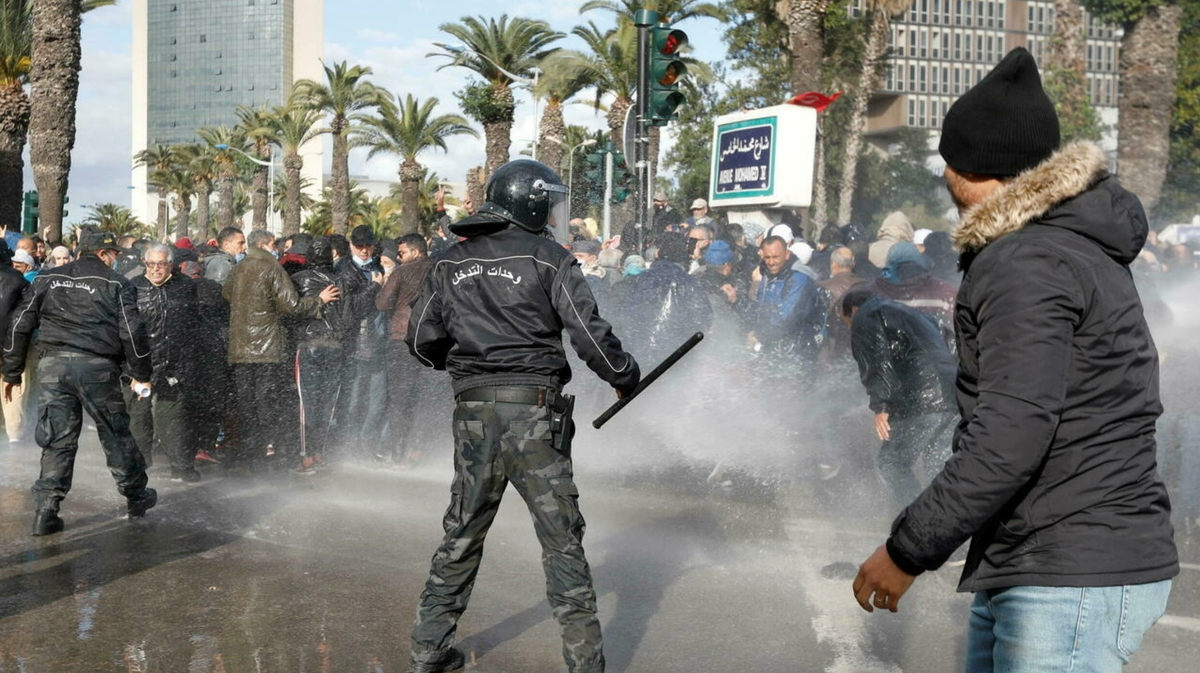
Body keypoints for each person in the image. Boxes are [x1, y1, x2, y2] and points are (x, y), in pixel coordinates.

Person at [852, 48, 1177, 672]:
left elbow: (1009, 436)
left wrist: (907, 550)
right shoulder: (1065, 247)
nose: (944, 177)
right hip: (1043, 555)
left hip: (1066, 566)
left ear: (978, 168)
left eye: (950, 161)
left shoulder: (1026, 261)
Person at [405, 159, 641, 673]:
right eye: (549, 202)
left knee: (462, 531)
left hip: (471, 414)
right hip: (535, 414)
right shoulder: (549, 257)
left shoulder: (449, 261)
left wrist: (470, 366)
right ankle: (585, 665)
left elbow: (421, 344)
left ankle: (427, 654)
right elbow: (588, 334)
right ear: (530, 201)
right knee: (561, 540)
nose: (554, 213)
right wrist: (624, 374)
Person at [2, 229, 158, 535]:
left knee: (57, 437)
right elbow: (132, 332)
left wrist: (11, 371)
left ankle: (46, 509)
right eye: (113, 253)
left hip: (53, 366)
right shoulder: (117, 283)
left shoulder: (47, 279)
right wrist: (142, 374)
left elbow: (19, 324)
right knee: (114, 433)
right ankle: (136, 497)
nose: (115, 258)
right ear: (102, 254)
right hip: (97, 367)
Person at [223, 229, 339, 471]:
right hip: (267, 347)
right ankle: (266, 450)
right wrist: (319, 301)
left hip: (240, 346)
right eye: (274, 243)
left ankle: (247, 452)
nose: (277, 248)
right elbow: (291, 305)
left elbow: (226, 295)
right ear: (265, 245)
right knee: (266, 402)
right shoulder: (273, 268)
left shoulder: (238, 269)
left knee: (246, 402)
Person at [842, 287, 957, 506]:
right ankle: (949, 529)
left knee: (892, 463)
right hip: (952, 396)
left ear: (853, 310)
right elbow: (953, 346)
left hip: (921, 400)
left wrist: (881, 406)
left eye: (847, 322)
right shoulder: (915, 314)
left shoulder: (865, 315)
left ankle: (919, 524)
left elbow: (877, 361)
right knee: (937, 466)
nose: (850, 328)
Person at [126, 243, 203, 482]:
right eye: (151, 264)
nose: (156, 269)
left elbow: (195, 327)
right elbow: (123, 329)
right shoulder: (132, 288)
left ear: (171, 264)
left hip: (174, 365)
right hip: (138, 366)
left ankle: (181, 466)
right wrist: (130, 370)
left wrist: (188, 363)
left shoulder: (186, 287)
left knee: (173, 418)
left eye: (161, 263)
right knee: (138, 418)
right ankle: (138, 467)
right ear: (144, 264)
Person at [375, 233, 435, 466]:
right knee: (426, 398)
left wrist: (383, 284)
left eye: (401, 253)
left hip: (402, 339)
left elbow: (381, 303)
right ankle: (418, 451)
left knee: (400, 399)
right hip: (432, 340)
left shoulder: (400, 272)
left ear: (416, 252)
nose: (398, 258)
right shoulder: (439, 268)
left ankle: (398, 452)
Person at [0, 239, 29, 443]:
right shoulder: (18, 279)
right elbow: (29, 314)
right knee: (13, 389)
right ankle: (15, 437)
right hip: (14, 343)